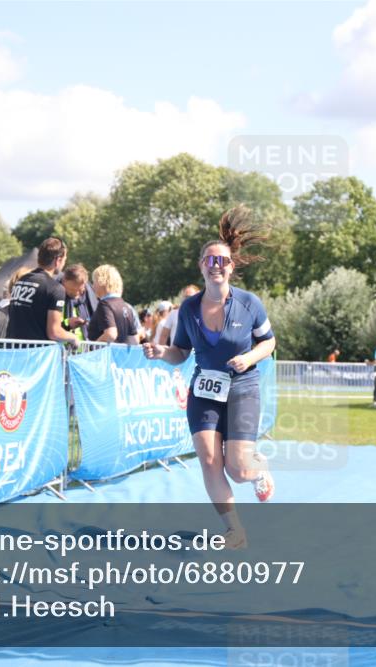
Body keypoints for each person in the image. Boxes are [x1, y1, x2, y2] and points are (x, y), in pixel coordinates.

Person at [143, 205, 276, 549]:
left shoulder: (249, 304)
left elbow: (269, 342)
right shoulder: (187, 309)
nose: (216, 266)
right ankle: (235, 531)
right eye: (210, 261)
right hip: (204, 389)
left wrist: (248, 357)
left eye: (222, 261)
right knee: (208, 459)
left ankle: (258, 468)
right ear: (202, 266)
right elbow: (180, 354)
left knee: (239, 470)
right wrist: (162, 353)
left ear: (231, 267)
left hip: (242, 388)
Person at [6, 237, 80, 346]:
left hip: (13, 351)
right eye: (64, 260)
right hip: (36, 355)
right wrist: (73, 337)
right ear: (58, 260)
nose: (64, 263)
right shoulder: (55, 289)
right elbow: (54, 332)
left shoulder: (21, 280)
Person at [87, 265, 138, 344]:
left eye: (94, 282)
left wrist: (93, 347)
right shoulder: (125, 305)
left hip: (105, 355)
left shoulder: (105, 304)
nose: (93, 286)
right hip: (120, 355)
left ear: (101, 282)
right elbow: (134, 339)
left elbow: (111, 334)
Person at [60, 264, 93, 341]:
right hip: (63, 348)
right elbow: (51, 327)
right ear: (64, 282)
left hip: (85, 349)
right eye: (72, 290)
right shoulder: (56, 297)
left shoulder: (89, 298)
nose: (76, 293)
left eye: (79, 290)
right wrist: (67, 323)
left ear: (84, 285)